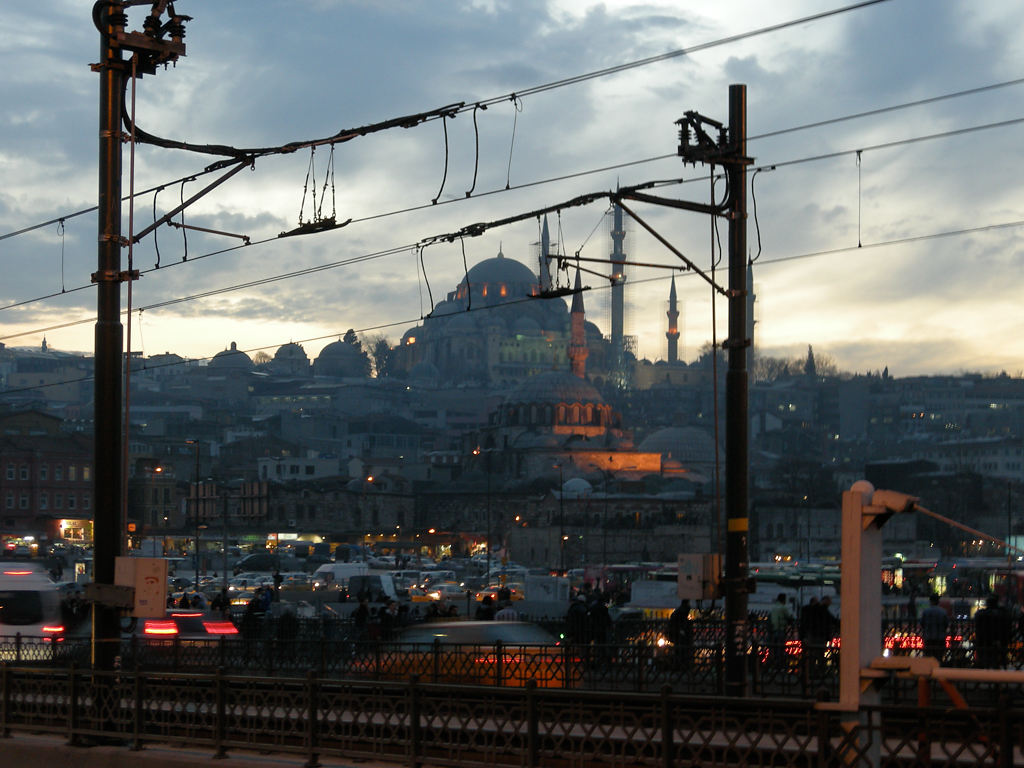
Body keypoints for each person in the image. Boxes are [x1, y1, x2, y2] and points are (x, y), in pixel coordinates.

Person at [974, 594, 1011, 668]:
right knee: (1000, 657)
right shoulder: (1003, 613)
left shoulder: (981, 614)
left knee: (985, 659)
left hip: (985, 640)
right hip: (1000, 639)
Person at [919, 594, 949, 664]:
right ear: (938, 601)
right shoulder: (943, 612)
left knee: (928, 657)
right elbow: (946, 624)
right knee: (939, 657)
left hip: (929, 638)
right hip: (940, 639)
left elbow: (922, 623)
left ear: (930, 601)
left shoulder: (926, 611)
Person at [767, 593, 792, 667]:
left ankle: (773, 664)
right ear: (783, 599)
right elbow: (788, 617)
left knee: (774, 648)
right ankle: (779, 664)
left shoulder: (773, 607)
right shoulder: (783, 608)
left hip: (773, 630)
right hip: (781, 629)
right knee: (780, 649)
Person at [668, 599, 693, 668]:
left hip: (676, 633)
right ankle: (682, 665)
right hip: (679, 634)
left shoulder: (678, 611)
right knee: (682, 650)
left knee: (678, 650)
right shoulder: (684, 610)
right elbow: (682, 621)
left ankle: (678, 664)